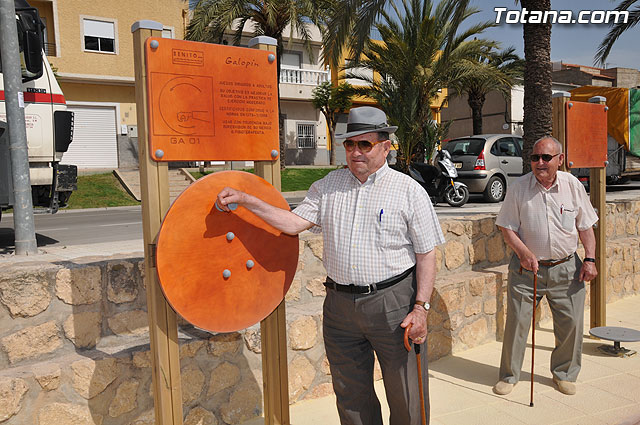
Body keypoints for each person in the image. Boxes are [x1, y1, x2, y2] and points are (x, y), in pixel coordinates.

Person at [216, 106, 445, 425]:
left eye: (364, 144)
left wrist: (421, 308)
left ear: (385, 146)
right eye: (350, 144)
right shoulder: (327, 186)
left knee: (406, 396)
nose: (355, 152)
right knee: (351, 398)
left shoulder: (409, 192)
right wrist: (247, 199)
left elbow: (426, 255)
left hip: (393, 306)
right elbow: (293, 223)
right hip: (339, 309)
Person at [493, 136, 598, 397]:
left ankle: (565, 374)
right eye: (534, 157)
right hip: (527, 269)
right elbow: (506, 226)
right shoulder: (519, 188)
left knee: (571, 324)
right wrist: (524, 252)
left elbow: (585, 226)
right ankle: (509, 375)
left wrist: (590, 259)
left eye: (546, 157)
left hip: (567, 267)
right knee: (517, 323)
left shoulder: (572, 185)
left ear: (559, 160)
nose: (539, 163)